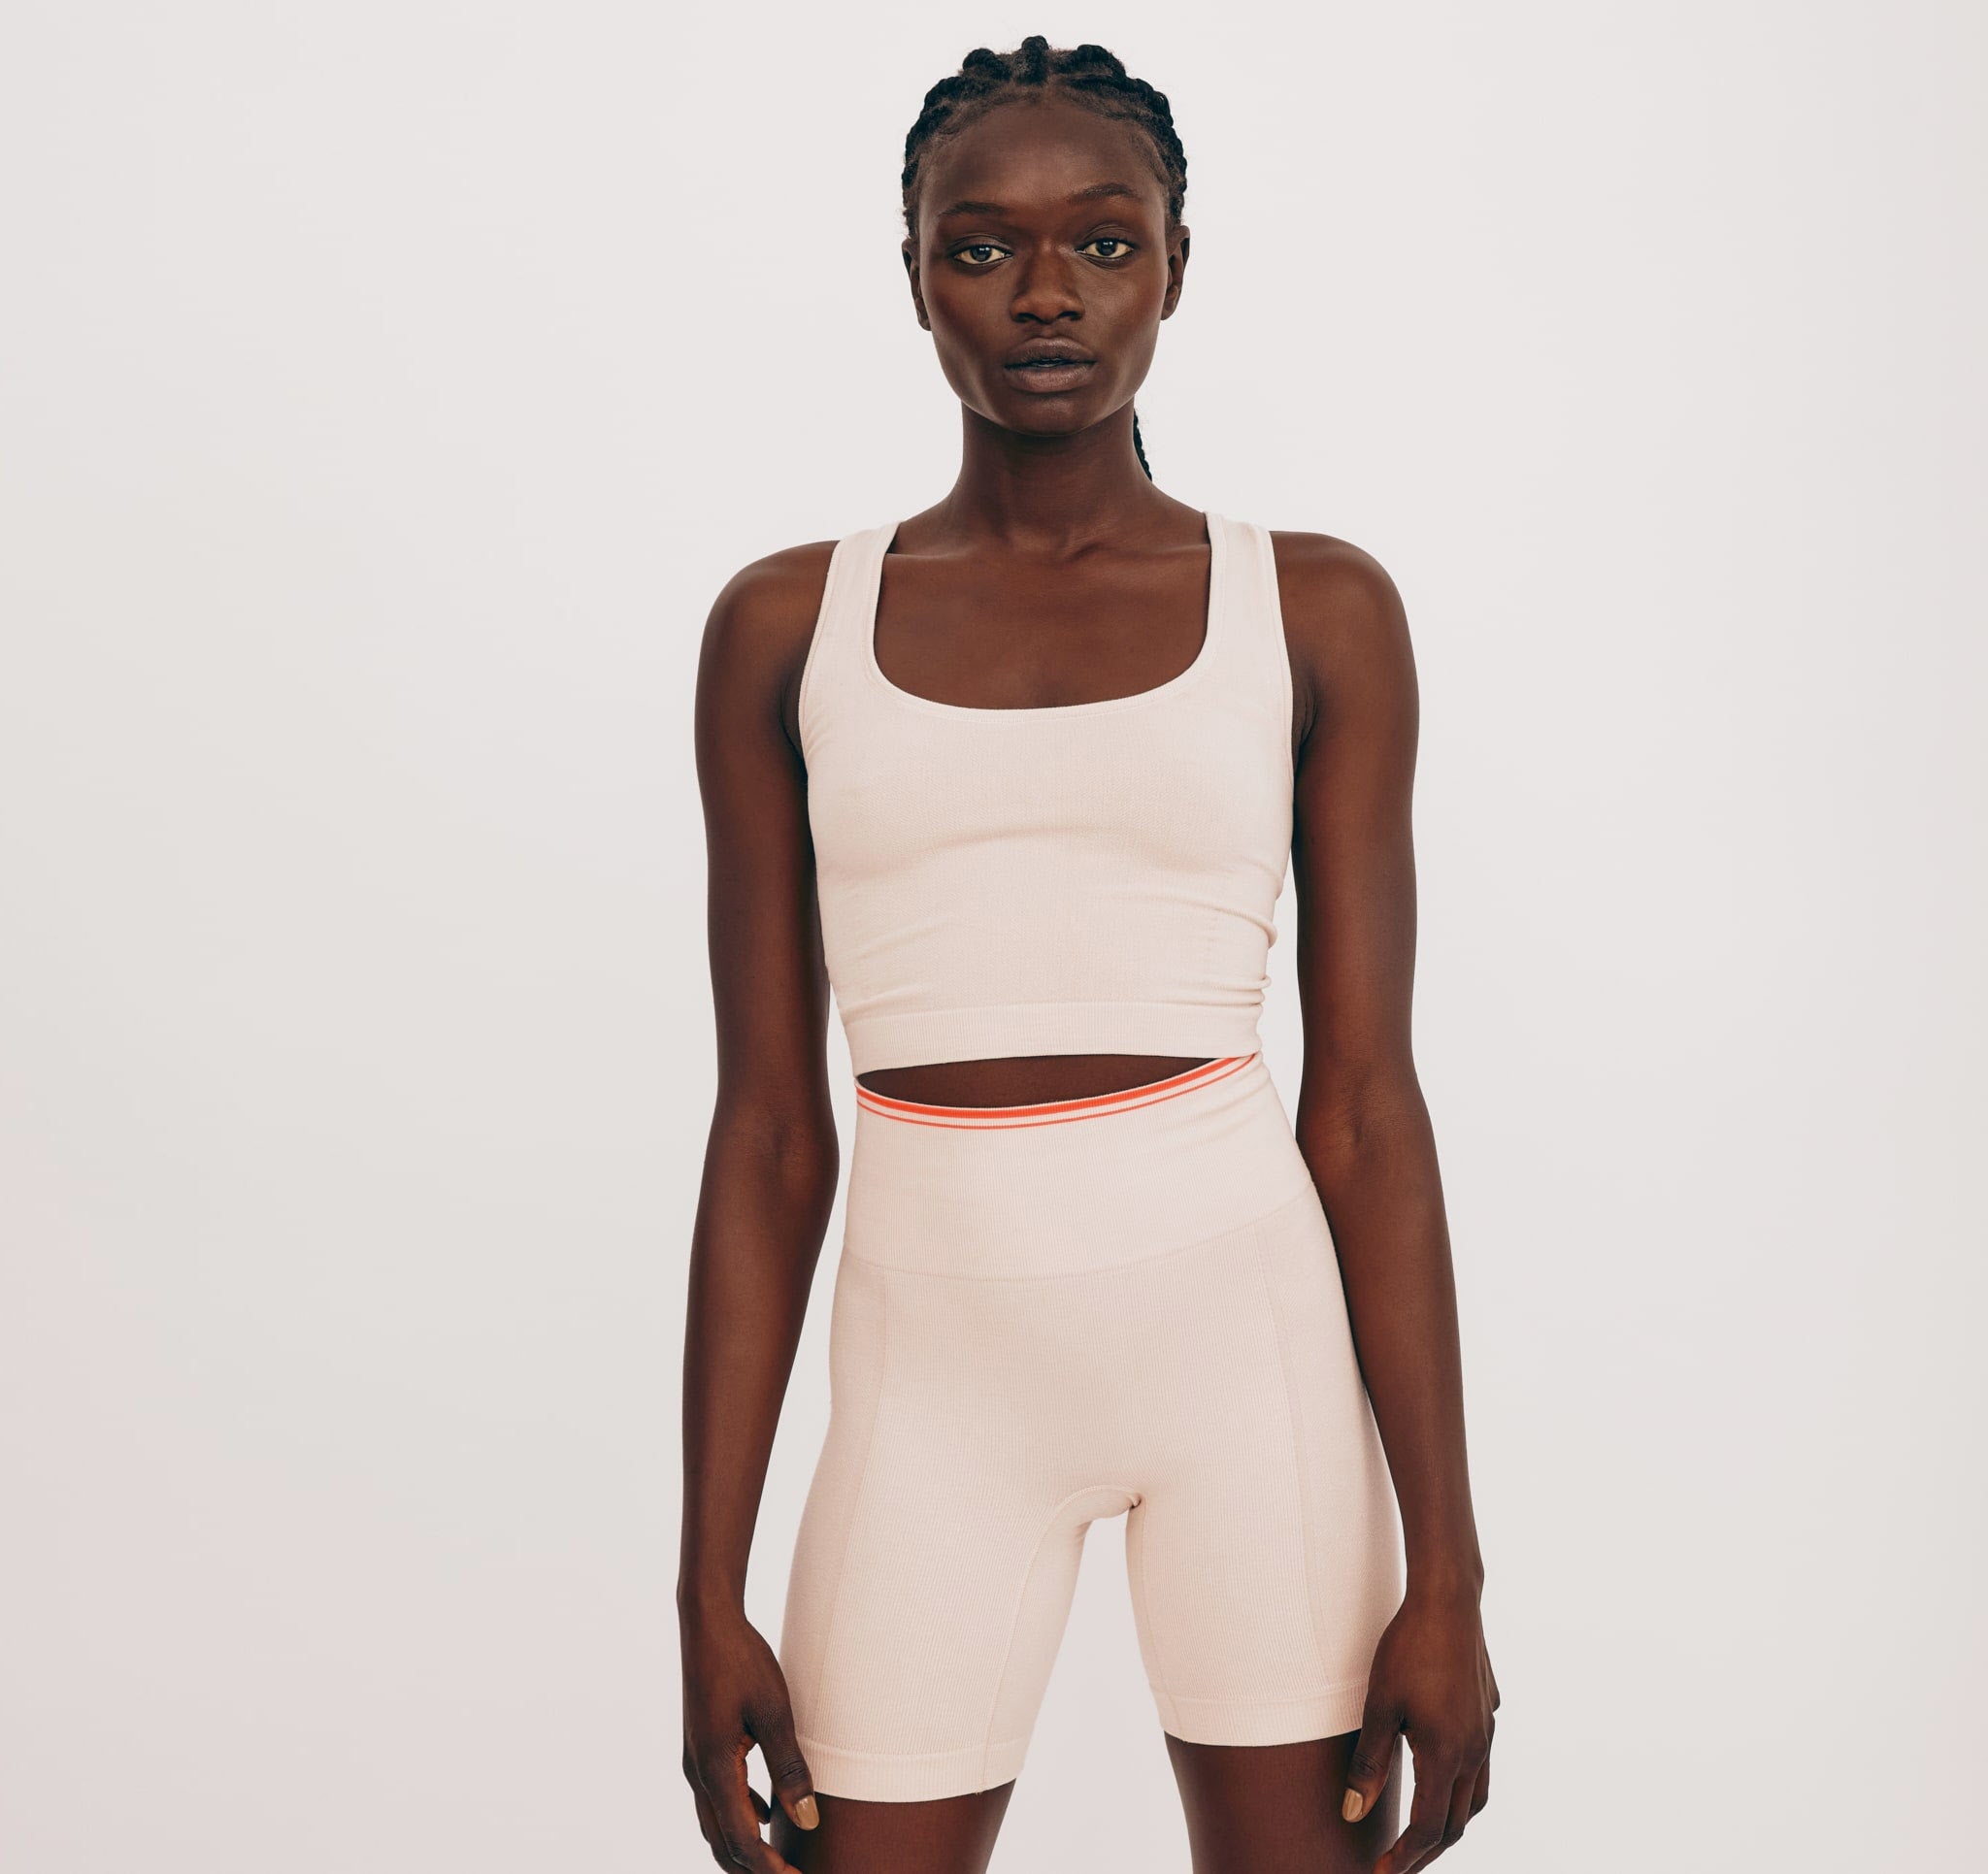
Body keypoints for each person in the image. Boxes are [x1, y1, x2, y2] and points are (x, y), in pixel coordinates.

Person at [679, 36, 1497, 1874]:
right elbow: (767, 1135)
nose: (1043, 292)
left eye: (1103, 243)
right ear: (914, 277)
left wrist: (1448, 1572)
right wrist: (703, 1589)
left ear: (1174, 266)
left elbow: (1368, 1108)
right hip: (932, 1382)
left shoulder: (1318, 608)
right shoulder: (786, 628)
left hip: (1247, 1363)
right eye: (980, 248)